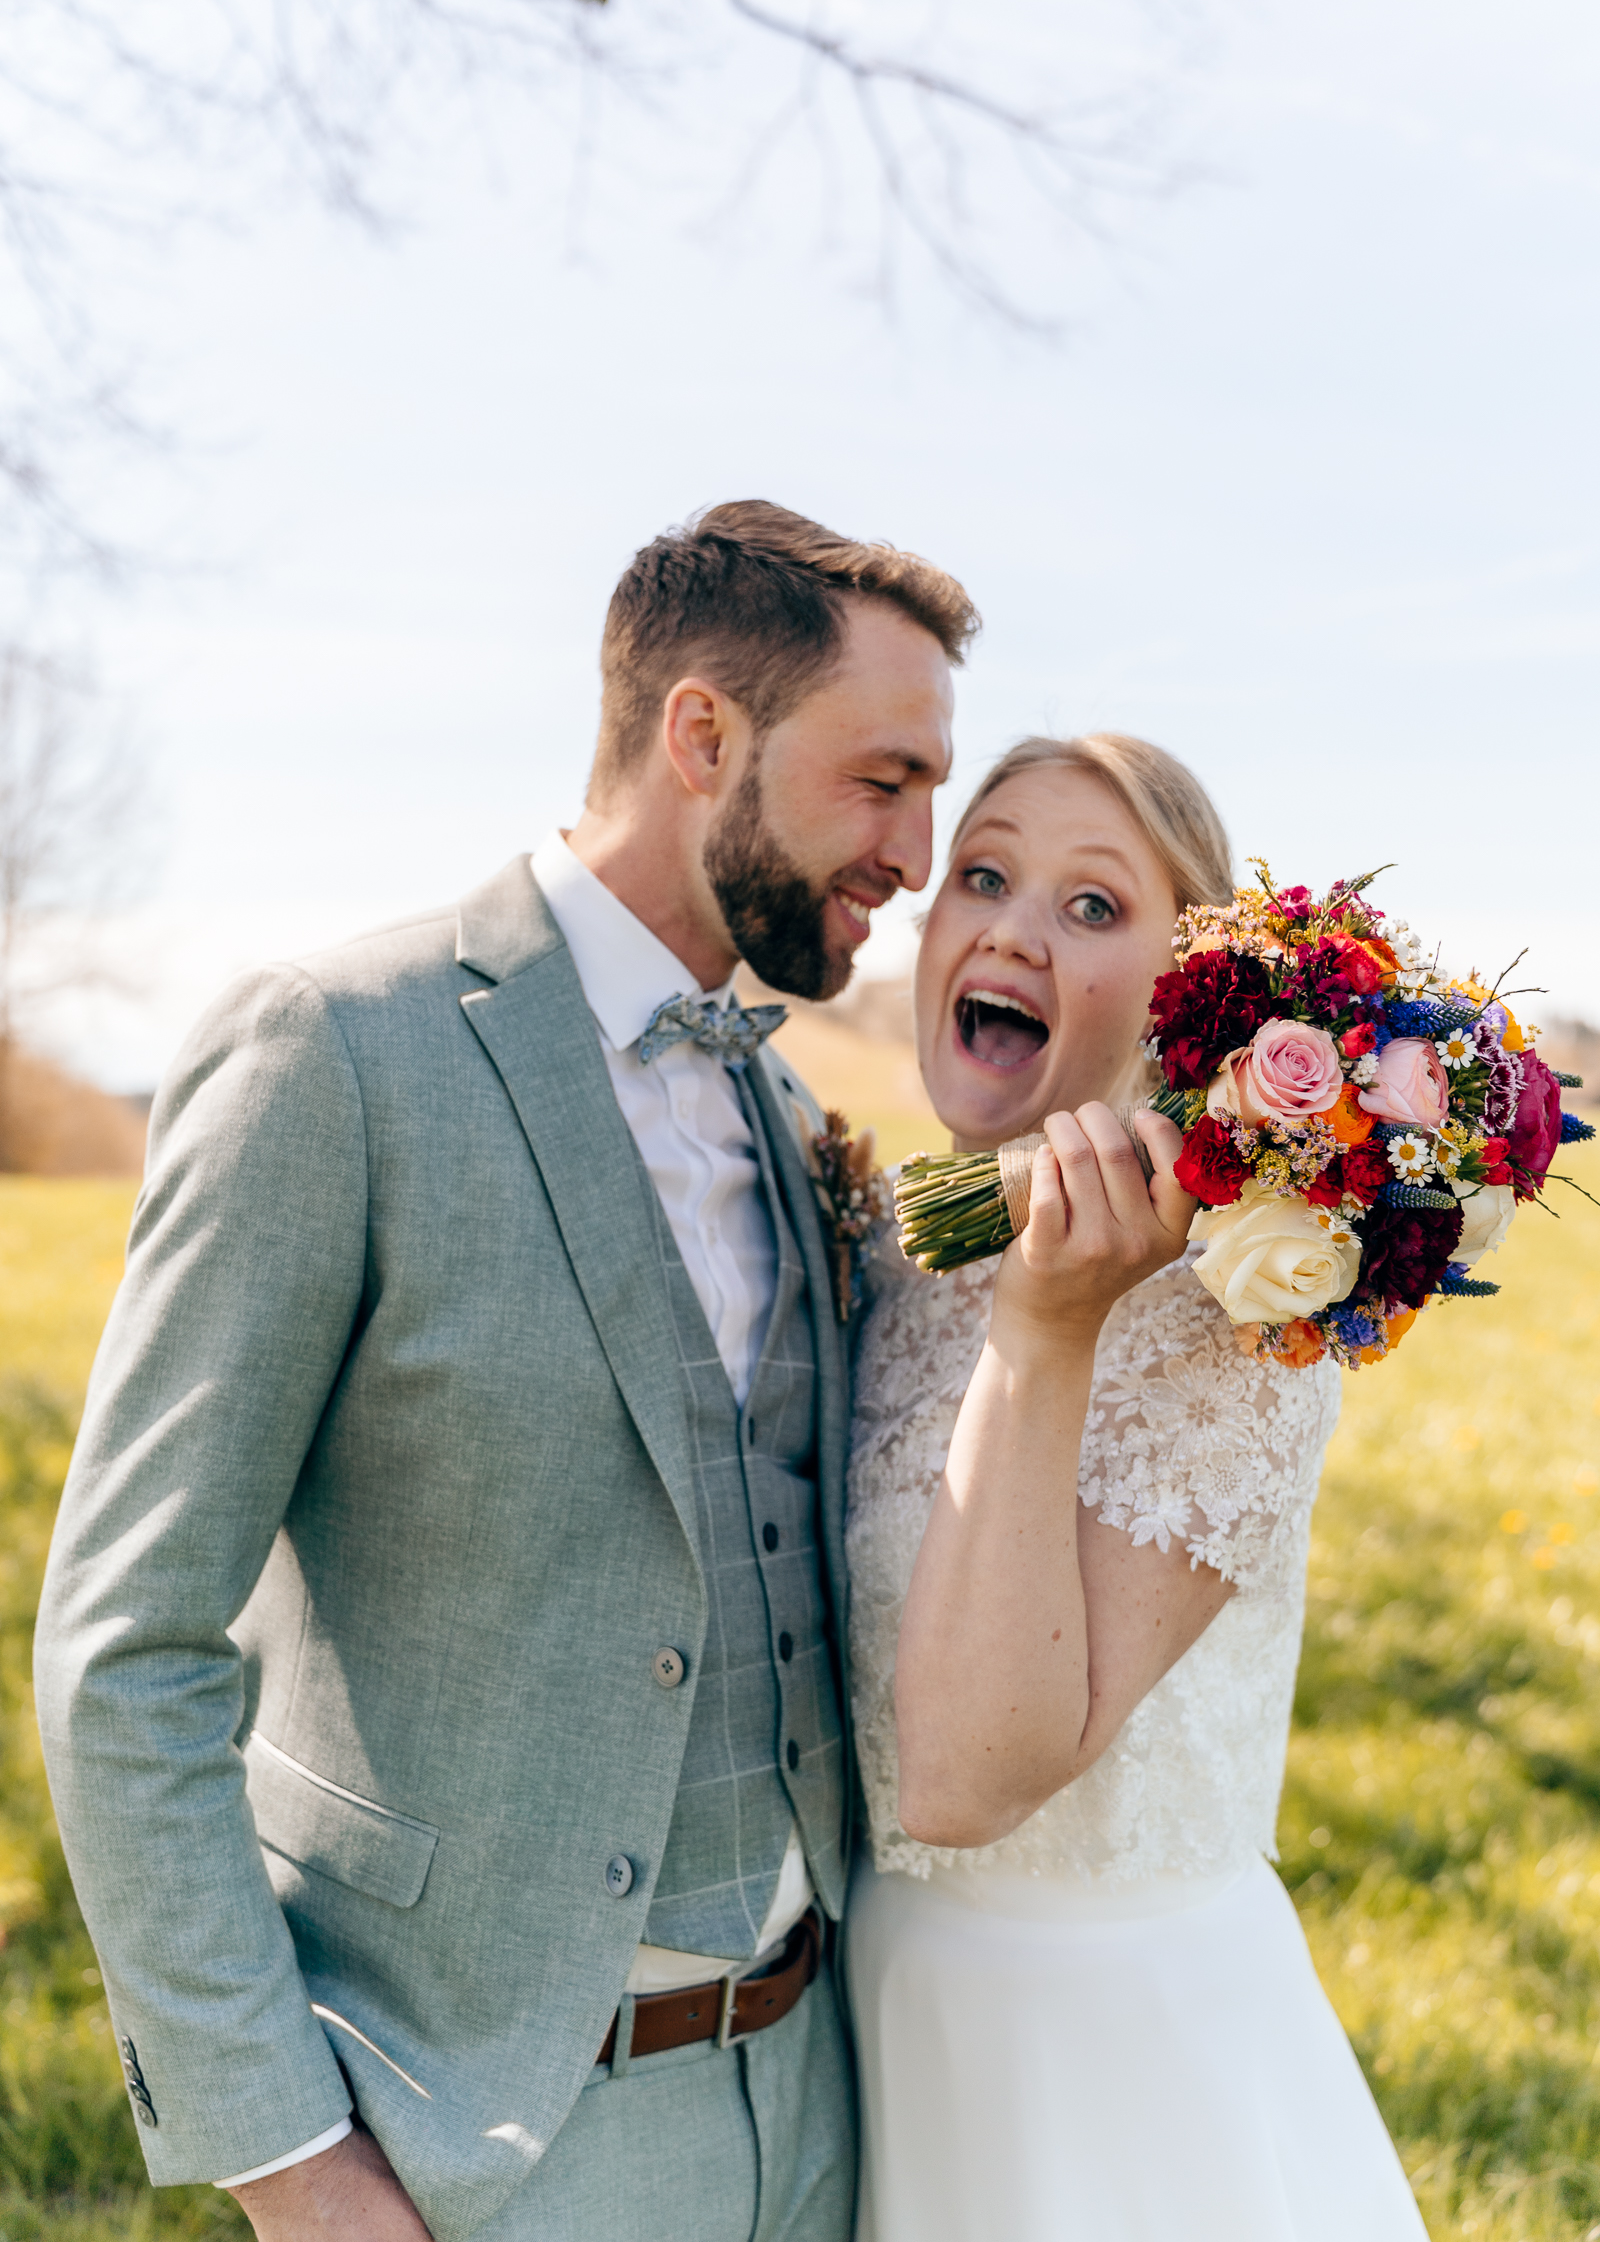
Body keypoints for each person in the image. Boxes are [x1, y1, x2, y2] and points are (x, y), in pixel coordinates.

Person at [33, 501, 975, 2242]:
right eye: (884, 780)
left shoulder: (781, 1106)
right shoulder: (338, 1053)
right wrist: (288, 2160)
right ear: (704, 733)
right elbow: (125, 1646)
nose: (917, 853)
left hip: (825, 2100)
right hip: (479, 2139)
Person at [845, 734, 1428, 2242]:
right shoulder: (888, 1256)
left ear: (1196, 998)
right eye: (981, 874)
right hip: (865, 2040)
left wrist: (1048, 1335)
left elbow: (967, 1782)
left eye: (1093, 906)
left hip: (1116, 2081)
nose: (1011, 928)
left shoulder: (1239, 1326)